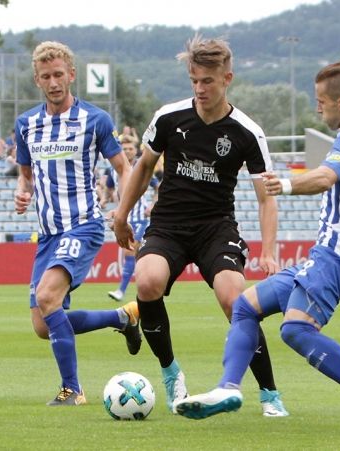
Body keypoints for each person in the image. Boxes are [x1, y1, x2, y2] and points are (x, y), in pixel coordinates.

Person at [171, 59, 340, 432]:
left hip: (339, 259)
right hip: (336, 255)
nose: (318, 108)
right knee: (245, 307)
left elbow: (325, 177)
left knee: (295, 330)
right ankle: (228, 389)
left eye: (321, 102)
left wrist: (282, 184)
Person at [113, 35, 288, 417]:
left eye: (207, 81)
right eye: (194, 80)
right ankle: (171, 371)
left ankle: (270, 393)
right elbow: (143, 167)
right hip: (168, 224)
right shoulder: (169, 117)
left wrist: (270, 250)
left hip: (216, 227)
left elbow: (266, 196)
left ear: (228, 78)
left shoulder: (246, 131)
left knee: (235, 300)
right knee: (146, 282)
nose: (199, 88)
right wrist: (121, 215)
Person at [13, 41, 141, 406]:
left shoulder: (95, 120)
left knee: (48, 296)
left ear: (71, 75)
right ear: (37, 80)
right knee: (44, 324)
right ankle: (122, 317)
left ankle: (73, 389)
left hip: (83, 225)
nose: (53, 82)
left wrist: (123, 214)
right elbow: (26, 176)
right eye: (45, 76)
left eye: (58, 74)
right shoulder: (27, 125)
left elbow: (124, 169)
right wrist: (22, 193)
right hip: (48, 234)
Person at [108, 138, 159, 302]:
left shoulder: (141, 167)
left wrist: (152, 205)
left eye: (130, 148)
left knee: (129, 251)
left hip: (139, 219)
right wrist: (106, 200)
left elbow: (157, 186)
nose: (128, 151)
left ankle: (121, 291)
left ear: (135, 150)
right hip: (124, 217)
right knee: (135, 255)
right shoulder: (113, 169)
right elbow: (109, 188)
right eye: (124, 148)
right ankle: (152, 283)